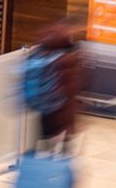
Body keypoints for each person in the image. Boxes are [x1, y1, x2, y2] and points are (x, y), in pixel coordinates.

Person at [32, 20, 83, 148]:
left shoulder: (41, 51)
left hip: (45, 103)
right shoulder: (69, 56)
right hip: (60, 105)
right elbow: (72, 84)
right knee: (63, 135)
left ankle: (44, 153)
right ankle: (60, 154)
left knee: (45, 135)